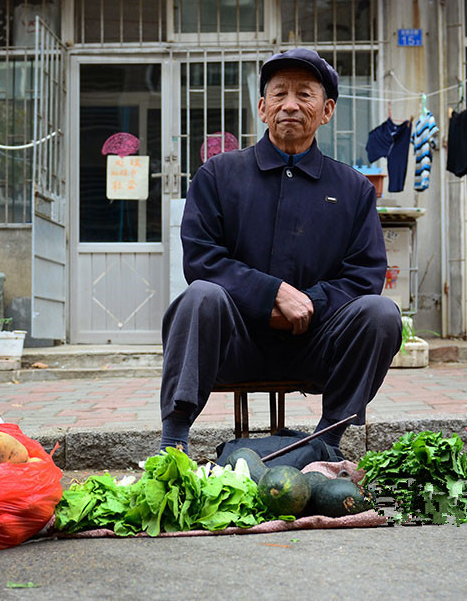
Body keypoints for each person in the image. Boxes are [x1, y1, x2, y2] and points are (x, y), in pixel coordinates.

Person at [159, 49, 403, 455]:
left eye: (304, 94)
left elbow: (364, 275)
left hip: (317, 346)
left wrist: (307, 304)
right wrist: (271, 294)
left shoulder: (354, 189)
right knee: (200, 296)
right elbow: (201, 259)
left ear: (326, 111)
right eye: (279, 94)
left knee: (381, 314)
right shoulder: (219, 176)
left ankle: (325, 445)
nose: (290, 105)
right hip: (233, 344)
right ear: (262, 107)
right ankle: (172, 445)